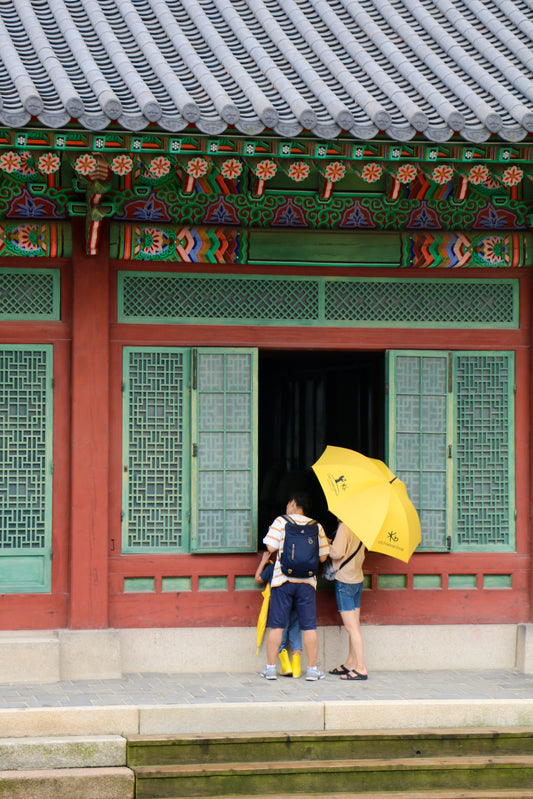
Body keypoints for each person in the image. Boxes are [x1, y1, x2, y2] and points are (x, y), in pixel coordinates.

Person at [259, 492, 329, 681]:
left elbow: (270, 548)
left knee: (277, 626)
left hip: (283, 580)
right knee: (308, 627)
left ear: (292, 503)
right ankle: (313, 670)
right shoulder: (317, 526)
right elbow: (323, 557)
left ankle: (271, 668)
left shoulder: (281, 521)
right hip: (306, 583)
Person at [328, 520, 368, 680]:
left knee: (351, 629)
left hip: (345, 581)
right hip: (357, 579)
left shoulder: (344, 527)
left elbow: (336, 553)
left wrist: (328, 545)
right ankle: (351, 663)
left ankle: (361, 667)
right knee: (355, 627)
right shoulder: (361, 526)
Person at [255, 550, 303, 677]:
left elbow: (258, 579)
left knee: (279, 632)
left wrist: (263, 562)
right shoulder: (297, 568)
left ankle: (286, 666)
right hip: (297, 603)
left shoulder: (273, 568)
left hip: (280, 603)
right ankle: (297, 669)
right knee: (296, 634)